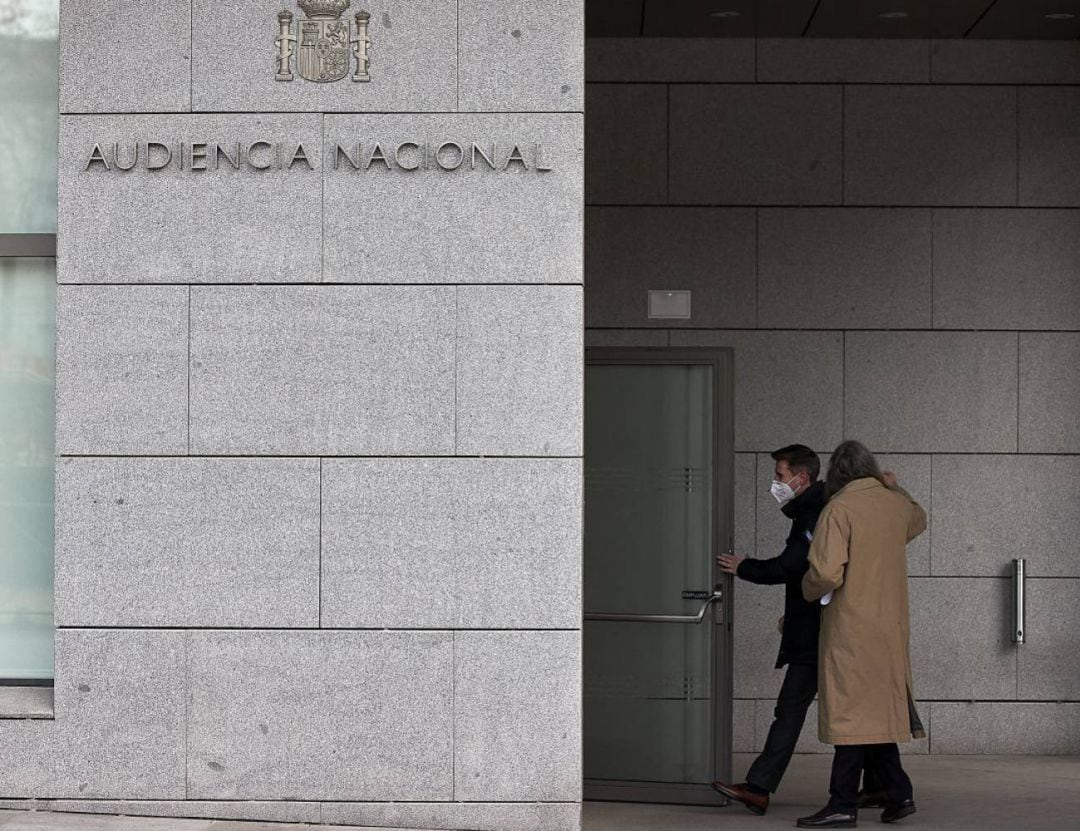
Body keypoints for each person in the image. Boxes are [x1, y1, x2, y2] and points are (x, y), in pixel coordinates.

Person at [797, 440, 927, 829]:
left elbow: (824, 573)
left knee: (850, 715)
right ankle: (898, 793)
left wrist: (805, 589)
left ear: (836, 473)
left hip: (852, 627)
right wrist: (893, 486)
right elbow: (919, 518)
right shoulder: (894, 505)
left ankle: (842, 804)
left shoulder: (838, 509)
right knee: (874, 712)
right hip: (889, 628)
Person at [711, 444, 827, 816]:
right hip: (816, 627)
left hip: (818, 634)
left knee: (789, 709)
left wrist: (744, 567)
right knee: (857, 709)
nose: (775, 483)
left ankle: (759, 788)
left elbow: (790, 566)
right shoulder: (812, 509)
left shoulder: (814, 513)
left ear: (801, 477)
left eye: (780, 476)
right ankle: (890, 788)